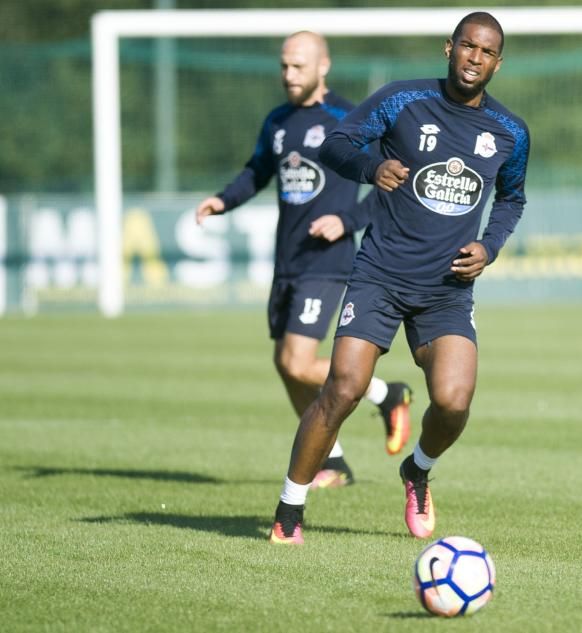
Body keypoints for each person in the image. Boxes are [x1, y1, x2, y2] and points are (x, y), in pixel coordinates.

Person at [268, 12, 530, 544]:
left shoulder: (510, 132)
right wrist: (371, 169)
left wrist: (490, 246)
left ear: (497, 62)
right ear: (448, 48)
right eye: (466, 46)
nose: (474, 58)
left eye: (486, 52)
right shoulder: (402, 100)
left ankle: (418, 470)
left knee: (454, 401)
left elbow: (512, 198)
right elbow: (337, 143)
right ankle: (290, 507)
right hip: (379, 276)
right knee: (344, 388)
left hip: (447, 290)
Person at [195, 31, 412, 491]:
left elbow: (390, 183)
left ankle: (386, 393)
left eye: (298, 66)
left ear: (323, 66)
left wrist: (346, 221)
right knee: (285, 364)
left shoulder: (347, 120)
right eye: (284, 66)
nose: (288, 75)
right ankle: (332, 462)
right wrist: (222, 200)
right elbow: (256, 172)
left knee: (298, 361)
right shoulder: (277, 120)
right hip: (288, 260)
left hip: (328, 261)